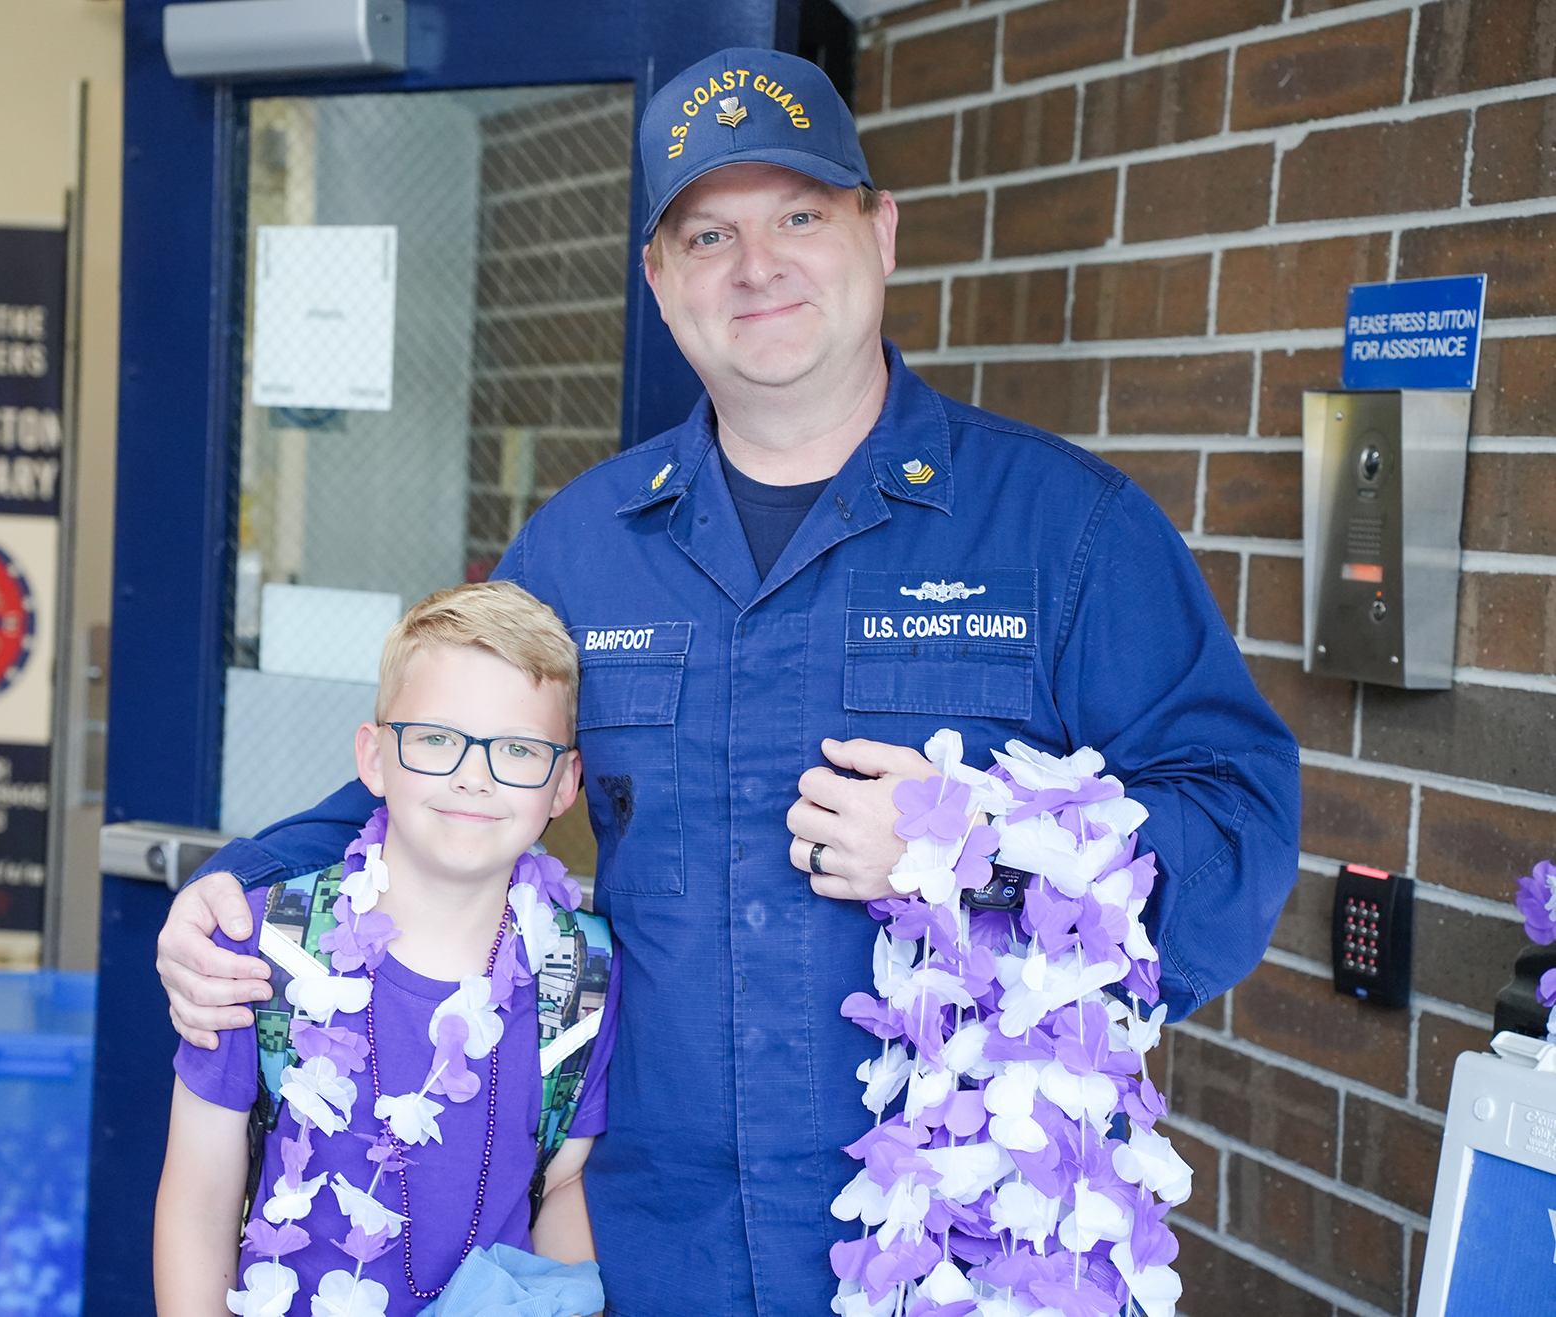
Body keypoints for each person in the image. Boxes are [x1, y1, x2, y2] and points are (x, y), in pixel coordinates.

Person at [155, 46, 1300, 1317]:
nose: (757, 266)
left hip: (953, 1263)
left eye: (799, 214)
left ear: (882, 233)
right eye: (706, 236)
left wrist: (976, 844)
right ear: (658, 281)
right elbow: (431, 776)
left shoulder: (1063, 531)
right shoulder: (583, 548)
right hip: (642, 1249)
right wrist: (228, 893)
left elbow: (1237, 842)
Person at [153, 582, 616, 1317]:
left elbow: (559, 1183)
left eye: (518, 749)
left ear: (563, 784)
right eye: (436, 738)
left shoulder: (580, 975)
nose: (474, 775)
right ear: (374, 757)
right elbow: (197, 1198)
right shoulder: (263, 946)